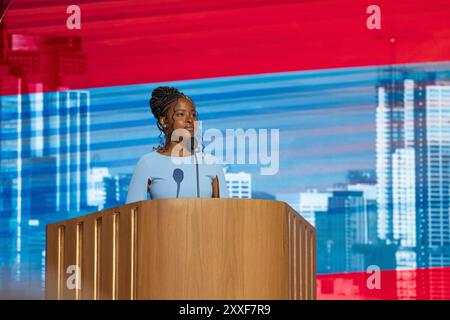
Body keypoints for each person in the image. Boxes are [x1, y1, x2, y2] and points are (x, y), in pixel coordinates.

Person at [125, 86, 229, 203]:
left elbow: (225, 213)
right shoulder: (147, 163)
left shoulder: (211, 163)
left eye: (193, 115)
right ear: (164, 121)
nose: (190, 119)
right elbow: (131, 212)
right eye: (180, 114)